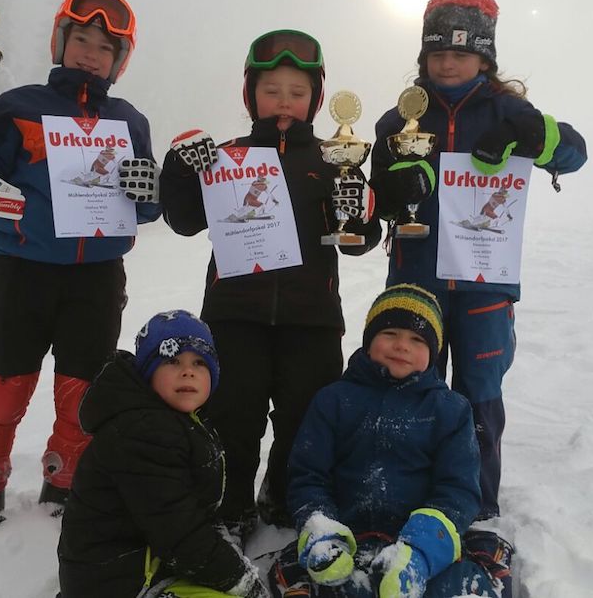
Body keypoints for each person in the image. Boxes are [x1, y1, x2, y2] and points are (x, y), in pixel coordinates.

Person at [0, 0, 163, 532]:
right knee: (8, 383)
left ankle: (66, 482)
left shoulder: (128, 120)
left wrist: (145, 189)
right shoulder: (19, 105)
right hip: (23, 270)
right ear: (61, 42)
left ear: (119, 62)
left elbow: (149, 205)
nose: (91, 53)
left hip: (97, 277)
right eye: (81, 39)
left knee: (82, 389)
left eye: (105, 49)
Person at [369, 0, 588, 523]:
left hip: (486, 284)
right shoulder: (397, 121)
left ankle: (476, 508)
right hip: (415, 278)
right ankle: (405, 497)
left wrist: (536, 133)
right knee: (408, 385)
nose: (448, 63)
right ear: (423, 57)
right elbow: (370, 193)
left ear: (484, 58)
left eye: (461, 53)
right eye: (438, 53)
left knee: (478, 396)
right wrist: (386, 194)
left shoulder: (507, 110)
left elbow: (574, 153)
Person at [159, 29, 381, 539]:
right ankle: (230, 501)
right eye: (272, 90)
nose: (284, 101)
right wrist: (178, 172)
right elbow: (186, 220)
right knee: (233, 413)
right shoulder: (226, 156)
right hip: (235, 313)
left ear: (315, 100)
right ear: (250, 94)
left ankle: (284, 493)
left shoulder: (334, 160)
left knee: (305, 414)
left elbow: (358, 241)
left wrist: (361, 209)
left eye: (297, 93)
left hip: (312, 316)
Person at [272, 284, 510, 598]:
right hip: (349, 542)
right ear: (369, 340)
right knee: (319, 583)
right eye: (390, 334)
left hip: (418, 544)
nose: (402, 346)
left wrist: (419, 553)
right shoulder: (333, 400)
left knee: (459, 585)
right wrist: (323, 533)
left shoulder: (450, 409)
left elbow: (457, 490)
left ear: (434, 352)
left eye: (416, 339)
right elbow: (308, 476)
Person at [57, 310, 268, 598]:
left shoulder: (183, 421)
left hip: (151, 565)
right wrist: (240, 580)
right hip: (119, 582)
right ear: (148, 372)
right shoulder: (143, 433)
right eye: (172, 360)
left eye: (199, 362)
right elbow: (179, 532)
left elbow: (193, 514)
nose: (188, 371)